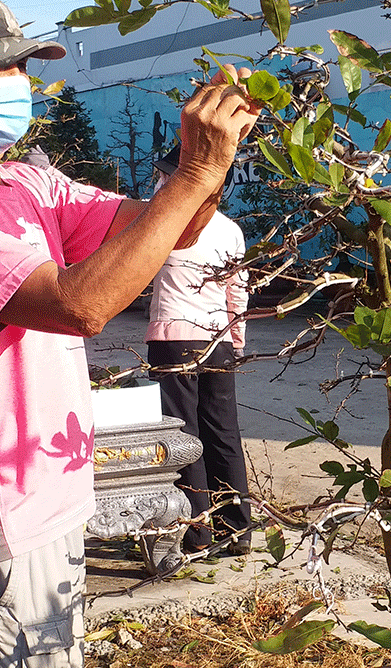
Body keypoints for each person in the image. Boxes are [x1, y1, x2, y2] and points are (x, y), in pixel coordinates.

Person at [0, 0, 257, 668]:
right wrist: (192, 172)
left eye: (22, 64)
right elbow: (80, 304)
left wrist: (208, 164)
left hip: (51, 506)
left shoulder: (28, 186)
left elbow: (172, 228)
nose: (16, 83)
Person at [145, 149, 251, 555]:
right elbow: (236, 291)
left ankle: (196, 531)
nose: (157, 182)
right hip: (218, 341)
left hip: (173, 341)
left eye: (161, 176)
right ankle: (237, 530)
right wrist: (234, 339)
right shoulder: (230, 229)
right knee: (224, 432)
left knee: (183, 433)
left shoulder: (164, 225)